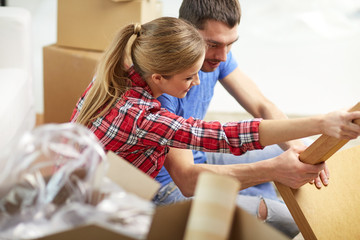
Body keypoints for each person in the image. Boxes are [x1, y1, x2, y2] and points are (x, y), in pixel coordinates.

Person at [70, 16, 360, 238]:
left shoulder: (122, 74)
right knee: (283, 218)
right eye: (188, 77)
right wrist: (321, 123)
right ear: (158, 78)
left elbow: (252, 114)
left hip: (116, 185)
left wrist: (302, 141)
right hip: (136, 204)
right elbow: (222, 137)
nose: (197, 83)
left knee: (279, 164)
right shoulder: (144, 116)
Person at [153, 0, 359, 238]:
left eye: (230, 44)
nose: (222, 56)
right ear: (185, 32)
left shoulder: (217, 55)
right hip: (169, 190)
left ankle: (258, 192)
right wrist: (272, 170)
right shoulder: (165, 88)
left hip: (199, 155)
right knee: (290, 220)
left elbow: (261, 105)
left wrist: (303, 153)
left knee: (305, 148)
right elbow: (186, 180)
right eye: (213, 44)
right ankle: (257, 199)